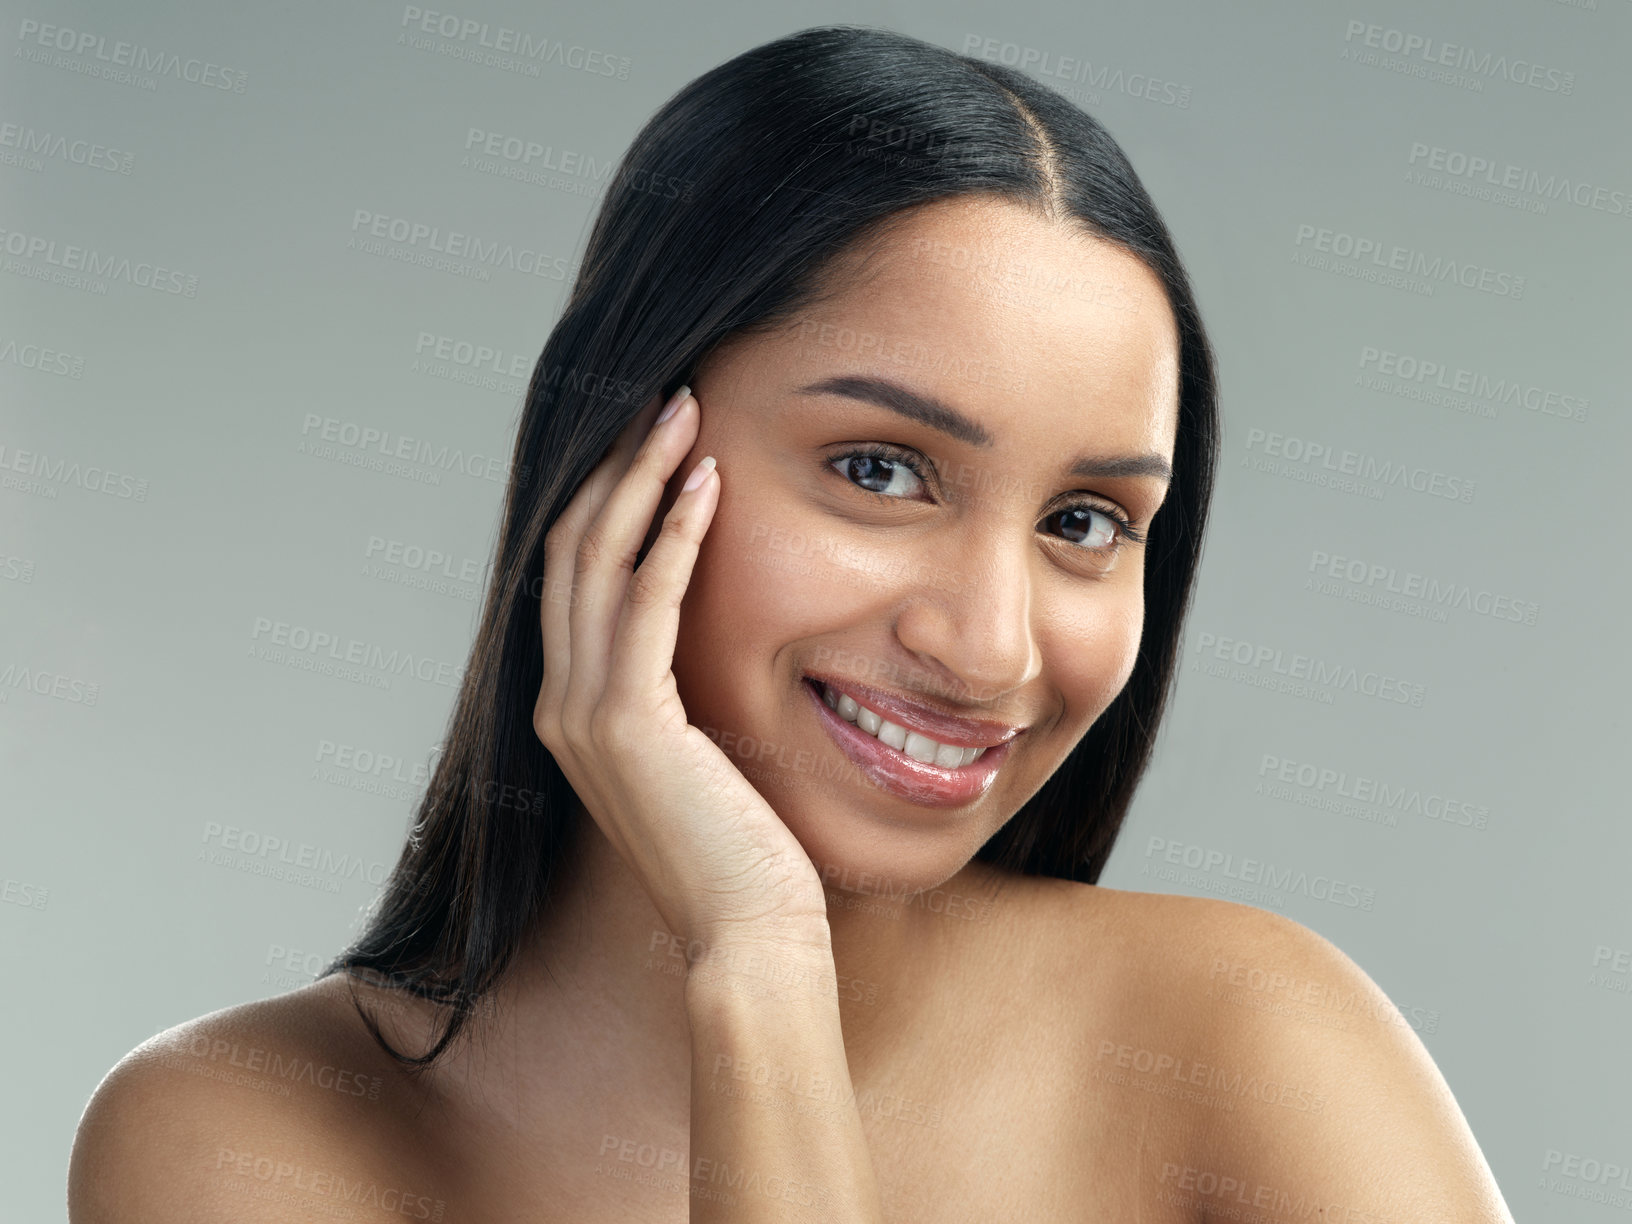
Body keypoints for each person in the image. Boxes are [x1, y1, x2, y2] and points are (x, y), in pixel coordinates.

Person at [68, 25, 1515, 1222]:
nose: (993, 648)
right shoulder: (245, 1139)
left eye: (1085, 522)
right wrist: (756, 956)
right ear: (620, 462)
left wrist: (756, 967)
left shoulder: (1252, 1038)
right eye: (880, 471)